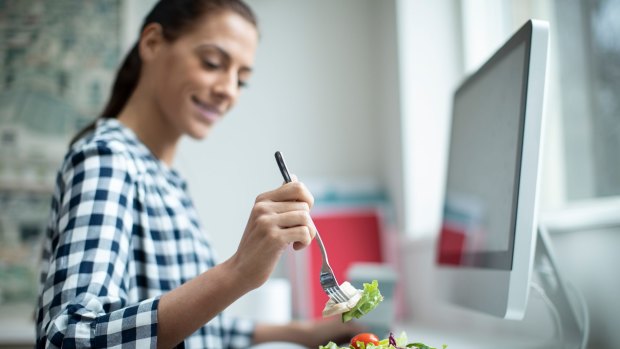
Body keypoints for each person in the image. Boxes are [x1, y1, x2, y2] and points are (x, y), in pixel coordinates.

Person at [35, 0, 363, 348]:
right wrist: (236, 273)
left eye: (242, 80)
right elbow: (67, 338)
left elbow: (199, 330)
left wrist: (305, 334)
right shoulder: (106, 160)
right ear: (152, 44)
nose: (229, 90)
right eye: (212, 63)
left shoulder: (166, 180)